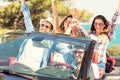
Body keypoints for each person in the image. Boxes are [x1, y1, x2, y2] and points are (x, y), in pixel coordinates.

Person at [70, 2, 120, 79]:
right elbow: (80, 29)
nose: (98, 26)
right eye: (96, 24)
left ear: (104, 25)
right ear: (93, 24)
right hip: (86, 63)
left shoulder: (107, 36)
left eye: (100, 24)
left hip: (99, 64)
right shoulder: (90, 35)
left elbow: (113, 24)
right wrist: (76, 19)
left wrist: (118, 10)